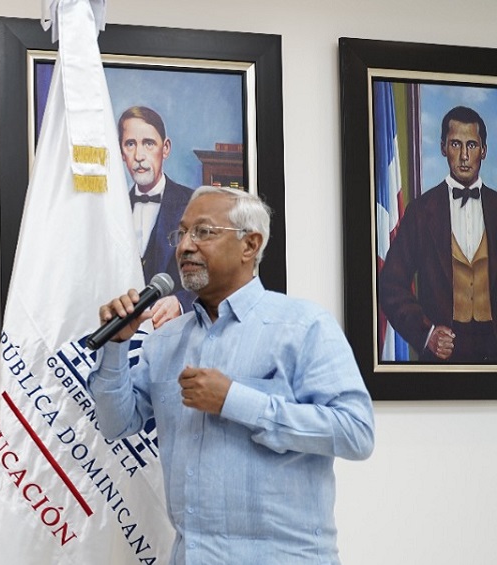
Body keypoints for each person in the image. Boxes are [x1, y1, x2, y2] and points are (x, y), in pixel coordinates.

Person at [88, 186, 375, 564]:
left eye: (203, 232)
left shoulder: (303, 326)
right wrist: (116, 346)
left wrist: (235, 401)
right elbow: (114, 423)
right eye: (182, 233)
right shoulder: (165, 342)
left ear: (250, 245)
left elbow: (356, 433)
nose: (185, 246)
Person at [378, 105, 497, 362]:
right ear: (443, 148)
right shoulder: (421, 211)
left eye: (472, 145)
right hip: (442, 357)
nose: (464, 155)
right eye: (455, 144)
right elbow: (390, 284)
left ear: (484, 151)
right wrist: (427, 333)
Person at [118, 106, 195, 325]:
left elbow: (218, 277)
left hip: (177, 335)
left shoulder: (194, 204)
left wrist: (181, 303)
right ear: (121, 152)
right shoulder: (113, 211)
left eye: (148, 143)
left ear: (166, 148)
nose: (139, 156)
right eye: (130, 144)